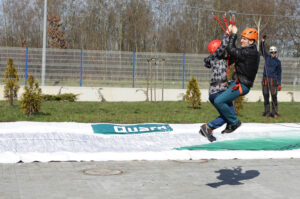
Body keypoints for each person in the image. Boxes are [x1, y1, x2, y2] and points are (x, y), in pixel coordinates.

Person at [200, 25, 260, 141]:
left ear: (251, 41)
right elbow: (229, 51)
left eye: (244, 39)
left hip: (242, 85)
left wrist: (232, 34)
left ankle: (233, 122)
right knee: (227, 110)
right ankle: (224, 124)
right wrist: (229, 35)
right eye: (241, 38)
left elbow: (231, 50)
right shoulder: (245, 51)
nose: (241, 40)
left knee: (220, 103)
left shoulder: (250, 53)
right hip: (235, 83)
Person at [200, 30, 235, 142]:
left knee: (230, 115)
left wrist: (233, 39)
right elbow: (223, 46)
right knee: (229, 115)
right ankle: (208, 127)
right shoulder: (215, 58)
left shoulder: (222, 60)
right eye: (221, 49)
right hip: (218, 92)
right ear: (217, 49)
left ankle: (208, 128)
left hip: (219, 92)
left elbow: (233, 54)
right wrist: (228, 33)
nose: (223, 51)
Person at [260, 36, 282, 118]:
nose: (273, 54)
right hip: (265, 79)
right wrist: (262, 41)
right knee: (266, 95)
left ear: (276, 53)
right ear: (270, 53)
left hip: (273, 81)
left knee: (274, 96)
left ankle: (275, 113)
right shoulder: (266, 57)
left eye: (274, 52)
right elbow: (262, 49)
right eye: (272, 52)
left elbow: (279, 73)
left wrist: (279, 84)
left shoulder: (278, 62)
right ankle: (267, 112)